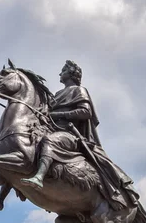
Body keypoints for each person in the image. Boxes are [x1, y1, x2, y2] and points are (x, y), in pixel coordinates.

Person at [21, 60, 138, 209]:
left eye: (63, 71)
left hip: (71, 134)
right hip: (55, 129)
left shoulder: (79, 90)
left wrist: (60, 115)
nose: (59, 74)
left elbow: (85, 112)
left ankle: (39, 176)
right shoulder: (57, 94)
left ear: (70, 74)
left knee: (49, 141)